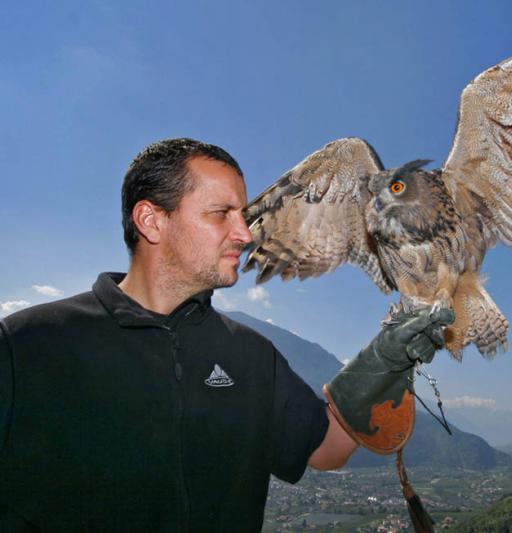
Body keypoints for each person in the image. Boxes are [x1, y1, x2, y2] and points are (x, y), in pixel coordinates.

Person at [0, 138, 451, 531]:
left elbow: (326, 450)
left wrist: (383, 363)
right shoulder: (27, 344)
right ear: (151, 220)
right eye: (222, 214)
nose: (245, 233)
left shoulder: (251, 356)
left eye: (243, 214)